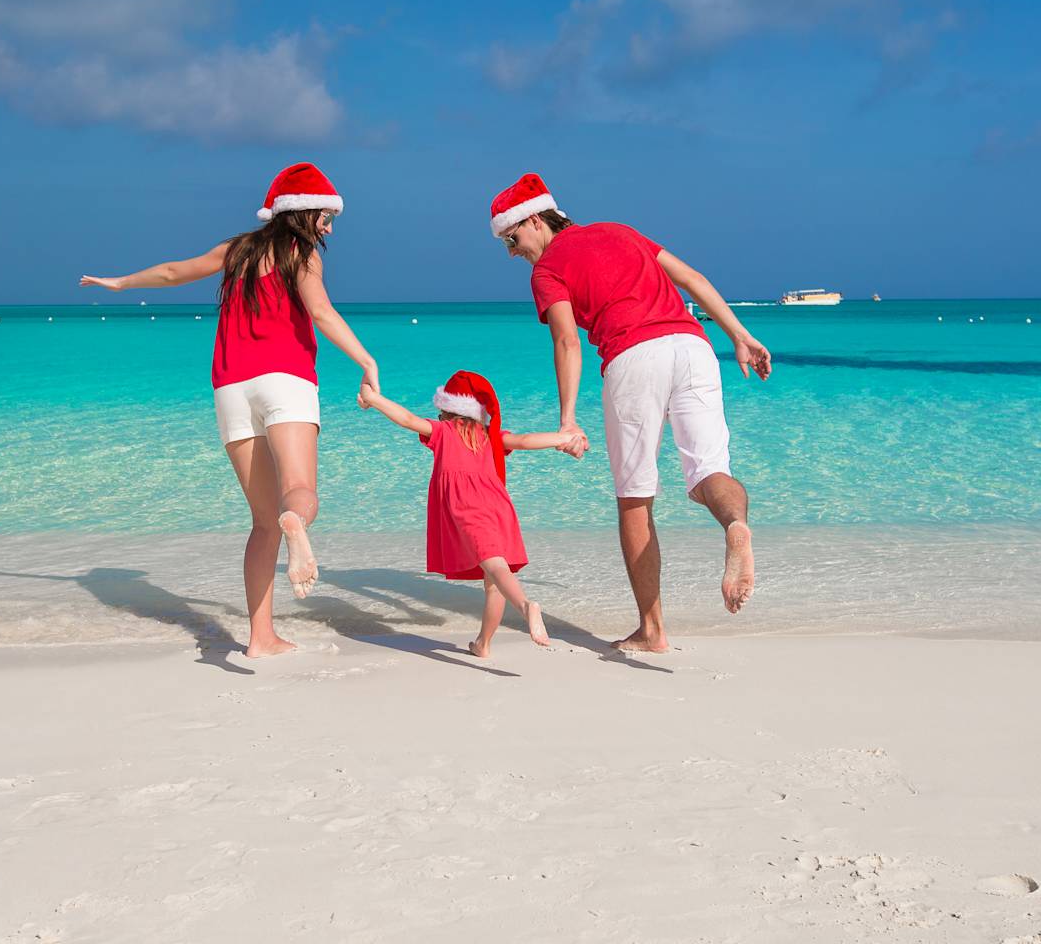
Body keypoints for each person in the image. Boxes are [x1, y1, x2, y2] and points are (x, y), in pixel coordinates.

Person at [80, 162, 379, 658]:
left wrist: (120, 283)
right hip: (286, 378)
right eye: (326, 216)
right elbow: (322, 312)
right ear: (302, 214)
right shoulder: (301, 254)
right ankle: (297, 526)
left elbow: (174, 272)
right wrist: (367, 361)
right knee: (298, 494)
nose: (329, 227)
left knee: (262, 521)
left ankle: (260, 638)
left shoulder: (236, 250)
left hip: (231, 388)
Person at [488, 172, 773, 653]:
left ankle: (653, 629)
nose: (512, 253)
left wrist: (567, 419)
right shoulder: (621, 231)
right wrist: (740, 337)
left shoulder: (547, 271)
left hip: (633, 358)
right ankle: (735, 527)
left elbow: (565, 340)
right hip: (693, 347)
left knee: (635, 499)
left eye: (512, 239)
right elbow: (692, 279)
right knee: (709, 473)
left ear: (535, 220)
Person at [357, 371, 584, 657]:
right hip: (500, 507)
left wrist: (374, 398)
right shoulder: (490, 436)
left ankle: (526, 607)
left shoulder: (443, 432)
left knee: (497, 570)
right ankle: (483, 644)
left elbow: (407, 419)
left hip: (469, 511)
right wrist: (563, 438)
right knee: (494, 584)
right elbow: (525, 440)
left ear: (447, 410)